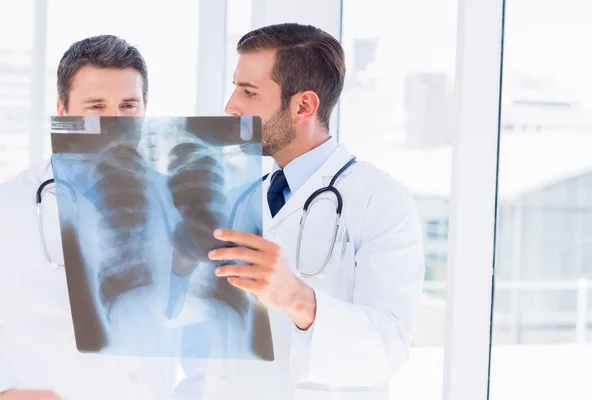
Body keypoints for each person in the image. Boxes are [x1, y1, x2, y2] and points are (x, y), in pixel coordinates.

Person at [178, 22, 425, 400]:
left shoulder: (382, 201)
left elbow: (389, 346)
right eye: (235, 87)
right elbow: (204, 343)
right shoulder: (237, 198)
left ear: (303, 106)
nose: (231, 106)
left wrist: (298, 298)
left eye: (249, 91)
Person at [0, 35, 189, 400]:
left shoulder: (179, 205)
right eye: (96, 106)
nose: (114, 123)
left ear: (145, 108)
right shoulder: (9, 205)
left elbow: (207, 350)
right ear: (63, 111)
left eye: (128, 106)